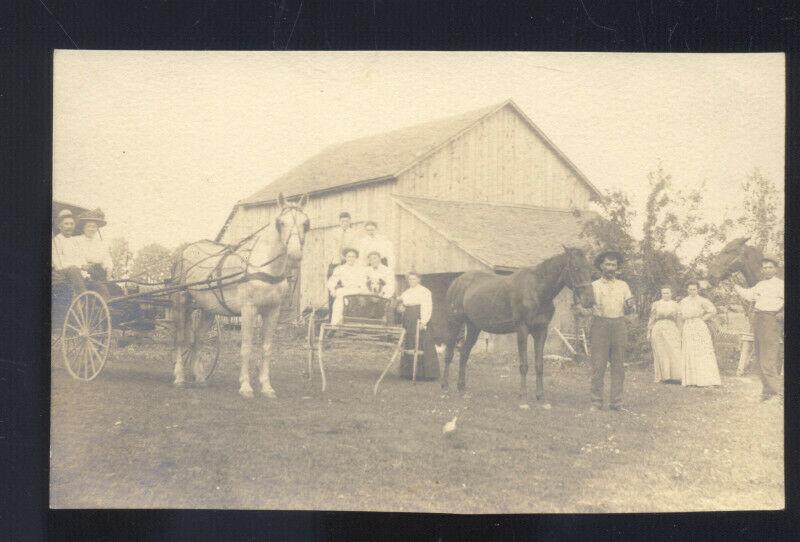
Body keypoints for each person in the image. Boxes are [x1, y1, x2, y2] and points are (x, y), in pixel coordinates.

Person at [581, 249, 636, 411]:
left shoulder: (623, 285)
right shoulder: (594, 285)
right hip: (600, 325)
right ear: (601, 266)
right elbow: (585, 306)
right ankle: (596, 402)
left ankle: (616, 403)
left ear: (617, 267)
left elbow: (630, 307)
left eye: (614, 265)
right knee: (598, 365)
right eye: (608, 264)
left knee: (618, 366)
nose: (611, 267)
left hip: (619, 325)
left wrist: (630, 307)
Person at [732, 255, 784, 403]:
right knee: (760, 357)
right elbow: (749, 296)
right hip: (758, 319)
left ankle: (777, 394)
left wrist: (782, 314)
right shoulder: (760, 285)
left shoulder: (781, 284)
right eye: (765, 267)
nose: (767, 270)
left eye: (770, 267)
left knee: (769, 358)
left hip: (771, 320)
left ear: (776, 269)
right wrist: (735, 285)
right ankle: (766, 392)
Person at [397, 271, 439, 381]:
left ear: (419, 280)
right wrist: (401, 308)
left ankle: (426, 374)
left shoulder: (425, 291)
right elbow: (402, 304)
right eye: (410, 279)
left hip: (419, 318)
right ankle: (408, 373)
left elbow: (427, 307)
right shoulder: (406, 292)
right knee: (409, 342)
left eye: (414, 279)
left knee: (422, 343)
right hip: (408, 320)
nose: (412, 281)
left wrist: (424, 321)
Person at [679, 280, 721, 387]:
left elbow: (712, 311)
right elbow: (680, 315)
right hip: (688, 326)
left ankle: (706, 379)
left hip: (699, 326)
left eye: (694, 289)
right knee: (690, 350)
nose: (692, 291)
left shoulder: (703, 300)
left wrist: (702, 319)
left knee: (702, 350)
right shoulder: (683, 301)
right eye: (690, 289)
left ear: (698, 290)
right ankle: (692, 380)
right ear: (687, 290)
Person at [647, 285, 683, 383]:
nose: (665, 295)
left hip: (671, 328)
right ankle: (663, 377)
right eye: (663, 293)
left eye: (667, 293)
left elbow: (679, 320)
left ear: (671, 294)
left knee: (674, 350)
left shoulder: (676, 305)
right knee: (661, 352)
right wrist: (649, 331)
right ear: (661, 294)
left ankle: (676, 377)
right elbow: (652, 318)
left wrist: (680, 332)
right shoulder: (656, 304)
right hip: (658, 329)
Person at [77, 209, 113, 299]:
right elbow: (77, 258)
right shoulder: (77, 241)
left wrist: (109, 269)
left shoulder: (100, 243)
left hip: (100, 274)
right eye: (89, 226)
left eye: (94, 227)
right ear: (83, 227)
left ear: (97, 229)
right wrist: (85, 273)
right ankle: (105, 309)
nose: (91, 229)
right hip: (85, 274)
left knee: (117, 289)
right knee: (102, 289)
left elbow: (106, 258)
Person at [326, 248, 368, 325]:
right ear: (345, 258)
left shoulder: (361, 269)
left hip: (357, 290)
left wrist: (363, 290)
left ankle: (363, 323)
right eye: (349, 256)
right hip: (346, 290)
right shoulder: (340, 268)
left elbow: (363, 282)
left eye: (353, 257)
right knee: (339, 299)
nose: (351, 259)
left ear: (356, 258)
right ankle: (335, 324)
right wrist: (332, 290)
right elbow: (332, 281)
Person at [52, 209, 89, 295]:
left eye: (72, 224)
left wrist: (84, 265)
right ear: (60, 226)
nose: (69, 226)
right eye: (66, 224)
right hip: (63, 274)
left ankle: (103, 304)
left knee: (99, 285)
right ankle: (83, 297)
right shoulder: (56, 241)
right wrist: (79, 267)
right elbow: (58, 264)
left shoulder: (75, 241)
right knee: (74, 269)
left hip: (78, 273)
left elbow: (81, 257)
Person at [327, 211, 359, 313]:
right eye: (342, 221)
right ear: (339, 222)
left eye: (346, 221)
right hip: (335, 262)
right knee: (333, 289)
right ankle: (332, 316)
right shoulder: (334, 232)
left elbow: (355, 247)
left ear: (350, 222)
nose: (344, 223)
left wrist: (348, 259)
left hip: (349, 263)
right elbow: (330, 248)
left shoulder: (354, 233)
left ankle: (348, 315)